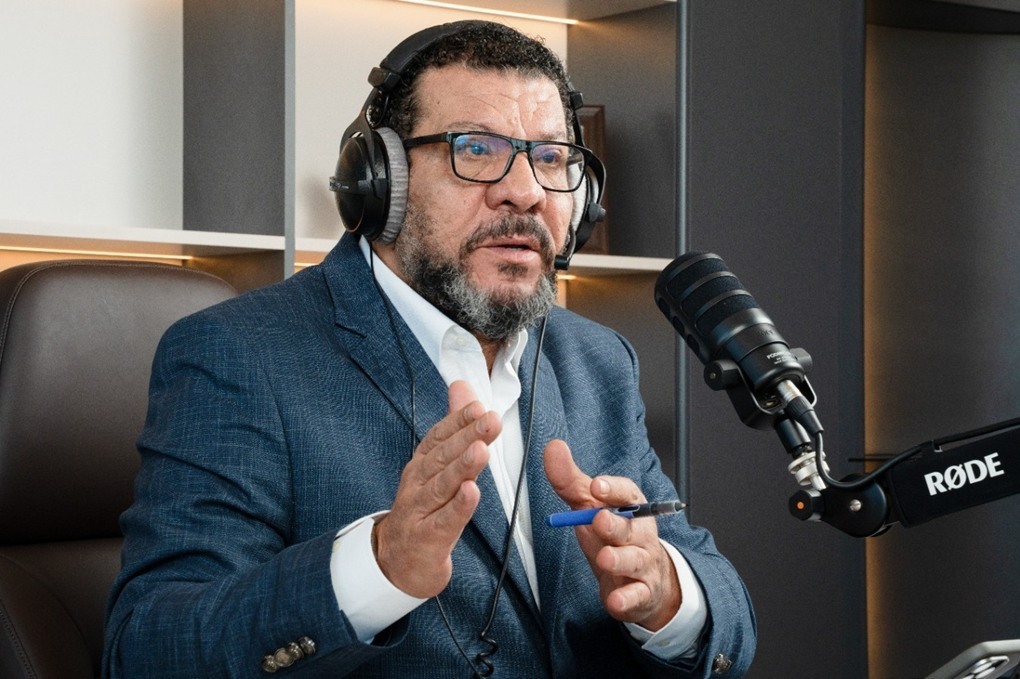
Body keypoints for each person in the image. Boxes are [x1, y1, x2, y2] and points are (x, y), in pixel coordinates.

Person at [102, 20, 755, 678]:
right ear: (381, 182)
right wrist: (377, 566)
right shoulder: (238, 355)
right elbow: (148, 650)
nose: (526, 191)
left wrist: (665, 595)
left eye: (551, 158)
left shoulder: (598, 360)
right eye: (476, 149)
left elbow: (729, 617)